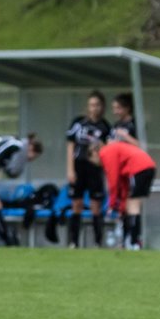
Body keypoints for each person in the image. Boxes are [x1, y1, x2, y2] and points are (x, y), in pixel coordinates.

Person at [64, 91, 112, 248]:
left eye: (97, 105)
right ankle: (73, 242)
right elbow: (70, 146)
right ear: (88, 106)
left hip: (94, 168)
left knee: (95, 206)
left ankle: (98, 242)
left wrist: (99, 154)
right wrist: (70, 169)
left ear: (102, 107)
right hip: (79, 166)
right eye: (92, 105)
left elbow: (109, 149)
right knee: (76, 204)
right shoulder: (78, 123)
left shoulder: (105, 127)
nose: (94, 108)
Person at [94, 138, 156, 250]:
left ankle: (134, 242)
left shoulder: (106, 152)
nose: (97, 164)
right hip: (148, 167)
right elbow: (123, 184)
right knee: (131, 205)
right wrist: (121, 206)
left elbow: (113, 181)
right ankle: (129, 241)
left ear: (94, 152)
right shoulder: (115, 150)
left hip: (139, 169)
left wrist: (111, 205)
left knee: (133, 206)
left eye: (93, 160)